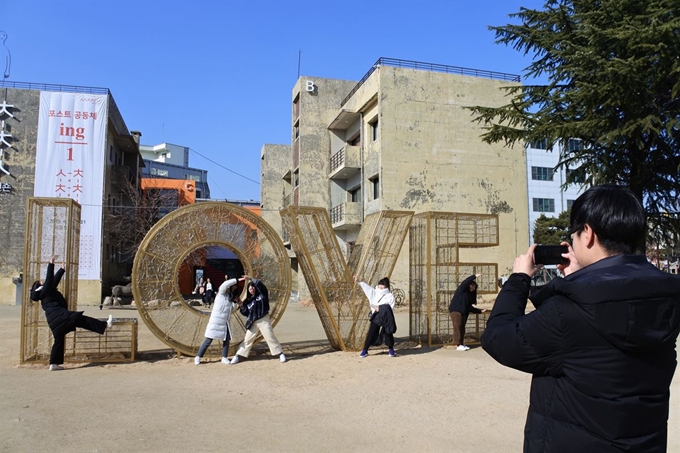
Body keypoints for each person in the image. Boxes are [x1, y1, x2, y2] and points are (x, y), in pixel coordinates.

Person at [481, 185, 680, 452]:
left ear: (587, 234)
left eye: (573, 234)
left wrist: (519, 279)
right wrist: (578, 279)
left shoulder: (568, 312)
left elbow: (498, 339)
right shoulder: (665, 296)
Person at [30, 255, 113, 371]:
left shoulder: (45, 293)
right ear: (40, 286)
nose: (43, 281)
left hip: (54, 321)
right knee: (81, 319)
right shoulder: (44, 291)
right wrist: (51, 263)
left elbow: (53, 282)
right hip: (60, 316)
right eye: (41, 282)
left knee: (59, 340)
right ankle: (104, 325)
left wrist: (62, 269)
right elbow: (50, 280)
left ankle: (53, 363)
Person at [230, 275, 286, 364]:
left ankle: (280, 353)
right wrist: (241, 304)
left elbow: (261, 286)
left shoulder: (262, 295)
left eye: (253, 287)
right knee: (247, 339)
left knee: (270, 336)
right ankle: (238, 355)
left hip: (263, 319)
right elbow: (246, 312)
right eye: (250, 288)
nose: (251, 289)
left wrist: (251, 279)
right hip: (253, 322)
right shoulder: (247, 301)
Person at [194, 276, 245, 365]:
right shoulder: (221, 293)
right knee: (209, 339)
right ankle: (198, 356)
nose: (234, 287)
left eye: (236, 286)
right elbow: (225, 284)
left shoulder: (230, 298)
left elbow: (231, 310)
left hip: (225, 322)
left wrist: (238, 303)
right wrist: (238, 279)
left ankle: (224, 357)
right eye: (233, 285)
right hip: (216, 321)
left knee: (226, 340)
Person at [354, 275, 397, 358]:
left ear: (386, 286)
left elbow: (390, 308)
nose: (380, 287)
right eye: (380, 285)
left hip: (386, 316)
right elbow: (367, 288)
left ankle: (391, 350)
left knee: (388, 332)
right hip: (376, 315)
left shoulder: (390, 296)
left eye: (382, 286)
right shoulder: (375, 292)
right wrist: (358, 281)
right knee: (371, 333)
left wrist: (380, 308)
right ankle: (365, 350)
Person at [448, 274, 486, 351]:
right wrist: (474, 276)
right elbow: (465, 282)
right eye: (472, 285)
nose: (473, 287)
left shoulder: (469, 296)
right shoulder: (462, 290)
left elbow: (469, 307)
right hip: (456, 311)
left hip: (464, 312)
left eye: (474, 287)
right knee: (457, 327)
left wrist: (480, 311)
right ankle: (458, 344)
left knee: (462, 328)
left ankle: (461, 344)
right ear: (469, 285)